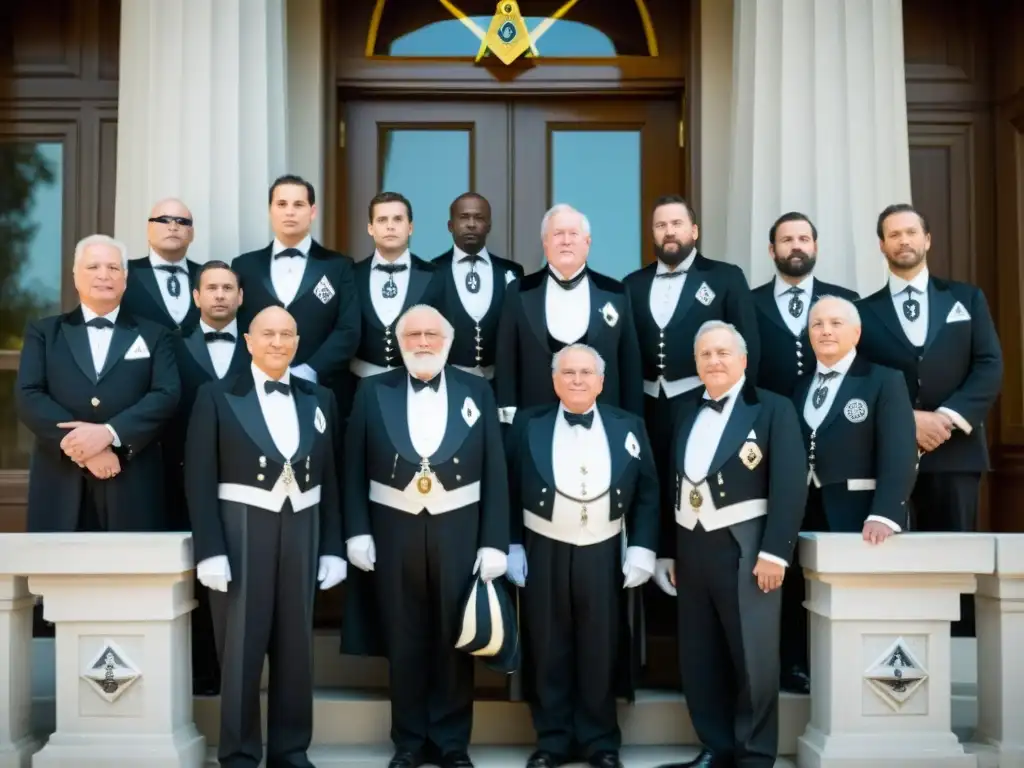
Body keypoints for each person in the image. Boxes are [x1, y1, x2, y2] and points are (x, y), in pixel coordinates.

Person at [343, 304, 509, 768]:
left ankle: (453, 743)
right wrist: (357, 532)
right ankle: (410, 742)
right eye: (412, 333)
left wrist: (494, 540)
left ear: (448, 342)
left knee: (454, 637)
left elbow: (495, 468)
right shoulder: (373, 390)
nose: (422, 342)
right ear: (399, 340)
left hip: (459, 526)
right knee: (404, 637)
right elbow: (352, 465)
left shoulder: (477, 389)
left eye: (431, 335)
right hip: (393, 529)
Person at [185, 305, 346, 768]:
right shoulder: (216, 396)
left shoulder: (321, 399)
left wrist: (332, 547)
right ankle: (238, 753)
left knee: (297, 648)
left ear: (297, 342)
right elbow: (199, 478)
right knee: (240, 648)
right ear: (249, 341)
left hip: (303, 528)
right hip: (240, 530)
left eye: (287, 334)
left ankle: (291, 750)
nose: (277, 342)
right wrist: (210, 549)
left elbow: (331, 479)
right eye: (267, 333)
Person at [653, 321, 806, 768]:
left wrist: (776, 552)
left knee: (752, 656)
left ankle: (755, 753)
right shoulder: (684, 410)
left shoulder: (772, 409)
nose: (714, 361)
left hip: (747, 547)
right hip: (692, 546)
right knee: (700, 654)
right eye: (705, 354)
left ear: (742, 359)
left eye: (723, 353)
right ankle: (715, 746)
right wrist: (668, 548)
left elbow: (790, 485)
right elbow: (671, 483)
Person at [505, 344, 659, 768]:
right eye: (568, 372)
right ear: (554, 381)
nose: (577, 380)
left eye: (586, 372)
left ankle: (600, 741)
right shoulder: (526, 423)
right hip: (543, 545)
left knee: (600, 646)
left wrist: (643, 547)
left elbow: (648, 491)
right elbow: (507, 486)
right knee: (548, 644)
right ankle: (552, 740)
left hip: (605, 547)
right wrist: (512, 543)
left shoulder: (628, 425)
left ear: (601, 381)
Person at [856, 203, 1003, 636]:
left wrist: (947, 418)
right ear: (881, 245)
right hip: (890, 460)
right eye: (893, 234)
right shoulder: (862, 312)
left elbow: (989, 365)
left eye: (911, 232)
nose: (903, 241)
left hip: (957, 452)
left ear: (927, 239)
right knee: (894, 563)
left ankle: (958, 662)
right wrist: (907, 421)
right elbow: (861, 379)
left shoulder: (966, 298)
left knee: (953, 563)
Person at [782, 296, 918, 693]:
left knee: (856, 600)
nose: (825, 331)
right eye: (817, 324)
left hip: (859, 515)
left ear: (856, 332)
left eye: (835, 323)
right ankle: (800, 668)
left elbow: (899, 451)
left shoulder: (883, 380)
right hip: (805, 510)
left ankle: (853, 678)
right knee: (802, 595)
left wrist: (886, 513)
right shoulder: (800, 386)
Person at [16, 234, 180, 532]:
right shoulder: (44, 332)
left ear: (125, 278)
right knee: (60, 576)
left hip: (132, 482)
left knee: (133, 575)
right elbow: (29, 395)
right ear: (76, 275)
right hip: (60, 481)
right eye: (93, 267)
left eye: (113, 268)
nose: (104, 275)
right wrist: (86, 448)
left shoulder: (156, 335)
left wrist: (110, 434)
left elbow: (166, 393)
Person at [169, 260, 250, 695]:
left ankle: (238, 673)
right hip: (184, 482)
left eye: (228, 288)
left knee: (240, 581)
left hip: (245, 488)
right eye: (211, 288)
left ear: (240, 297)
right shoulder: (172, 347)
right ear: (196, 297)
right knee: (195, 577)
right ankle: (200, 674)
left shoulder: (259, 350)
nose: (219, 295)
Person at [495, 204, 643, 425]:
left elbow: (629, 365)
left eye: (573, 234)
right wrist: (508, 423)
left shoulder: (616, 293)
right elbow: (506, 361)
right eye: (557, 234)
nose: (566, 240)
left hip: (603, 424)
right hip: (534, 427)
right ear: (545, 243)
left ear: (587, 242)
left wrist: (632, 424)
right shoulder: (518, 292)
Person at [233, 174, 360, 411]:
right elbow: (238, 327)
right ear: (270, 210)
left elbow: (348, 329)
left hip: (324, 392)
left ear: (312, 212)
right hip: (255, 393)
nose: (289, 212)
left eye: (298, 205)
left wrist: (310, 370)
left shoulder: (338, 266)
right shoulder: (244, 266)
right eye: (281, 204)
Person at [751, 212, 859, 398]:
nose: (796, 246)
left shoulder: (846, 300)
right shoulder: (748, 302)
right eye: (786, 240)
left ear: (815, 247)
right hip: (768, 416)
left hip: (832, 417)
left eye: (803, 239)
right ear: (772, 250)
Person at [432, 192, 524, 380]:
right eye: (464, 217)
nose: (471, 224)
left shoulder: (511, 272)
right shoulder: (431, 272)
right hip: (448, 384)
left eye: (479, 218)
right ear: (451, 225)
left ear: (488, 226)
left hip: (497, 386)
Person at [349, 192, 441, 380]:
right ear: (370, 228)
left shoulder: (434, 275)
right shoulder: (351, 275)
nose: (390, 226)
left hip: (419, 385)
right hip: (358, 386)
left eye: (398, 219)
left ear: (410, 227)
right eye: (382, 220)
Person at [121, 198, 202, 333]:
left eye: (182, 222)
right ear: (148, 228)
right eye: (164, 220)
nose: (173, 227)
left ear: (192, 233)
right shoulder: (122, 273)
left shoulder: (206, 275)